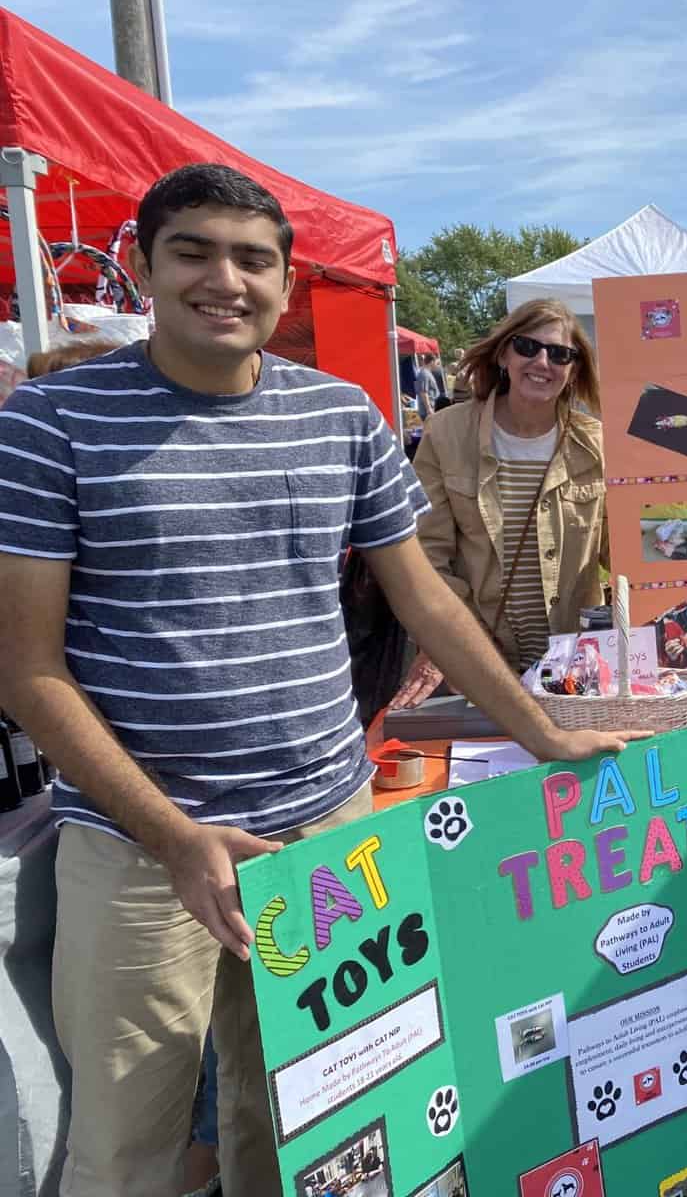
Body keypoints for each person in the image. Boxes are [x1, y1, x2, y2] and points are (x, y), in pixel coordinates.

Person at [0, 163, 647, 1197]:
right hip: (137, 854)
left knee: (307, 1131)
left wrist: (543, 732)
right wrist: (174, 839)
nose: (227, 279)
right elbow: (25, 667)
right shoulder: (51, 422)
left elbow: (427, 602)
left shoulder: (342, 417)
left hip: (326, 839)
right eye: (194, 252)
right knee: (125, 1152)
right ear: (139, 266)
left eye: (253, 259)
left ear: (288, 281)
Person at [397, 298, 610, 706]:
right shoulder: (446, 434)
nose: (542, 362)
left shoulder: (597, 445)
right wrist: (445, 646)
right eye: (528, 347)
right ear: (503, 354)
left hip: (577, 672)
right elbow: (427, 554)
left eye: (560, 354)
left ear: (574, 369)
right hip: (479, 665)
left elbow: (623, 554)